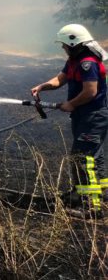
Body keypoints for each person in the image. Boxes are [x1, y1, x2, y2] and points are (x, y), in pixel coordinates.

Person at [31, 24, 108, 213]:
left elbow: (90, 91)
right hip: (84, 115)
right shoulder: (74, 60)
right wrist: (42, 86)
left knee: (82, 157)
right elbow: (60, 79)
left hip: (93, 115)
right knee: (93, 155)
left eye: (64, 44)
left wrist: (71, 104)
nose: (63, 47)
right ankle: (99, 193)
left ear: (74, 43)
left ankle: (90, 205)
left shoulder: (87, 63)